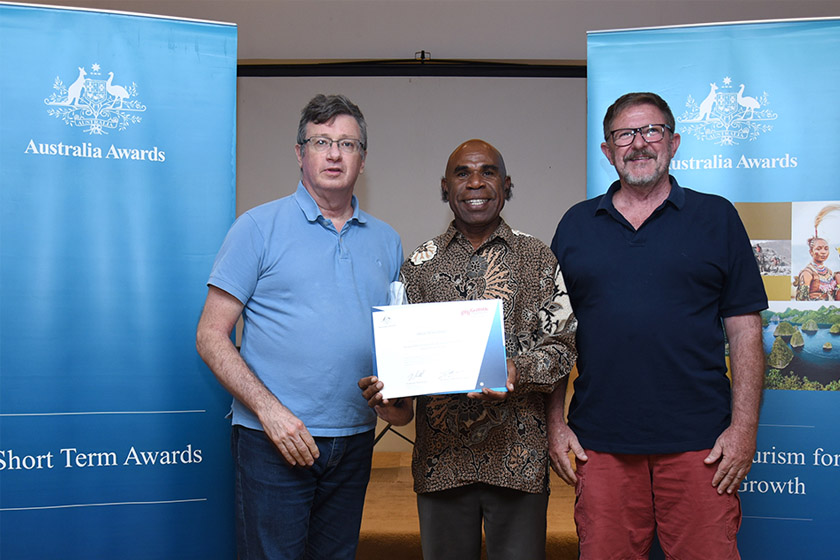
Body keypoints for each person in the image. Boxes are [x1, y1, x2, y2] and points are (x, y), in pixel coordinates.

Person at [548, 92, 768, 559]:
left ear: (674, 142)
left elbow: (746, 331)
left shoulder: (717, 218)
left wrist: (744, 429)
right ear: (607, 151)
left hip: (702, 446)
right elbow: (556, 337)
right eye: (624, 134)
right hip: (600, 444)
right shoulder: (575, 225)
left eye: (652, 131)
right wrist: (555, 423)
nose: (639, 144)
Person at [196, 94, 403, 560]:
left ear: (363, 159)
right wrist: (271, 413)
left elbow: (393, 340)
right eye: (321, 142)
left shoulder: (387, 241)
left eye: (347, 143)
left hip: (353, 440)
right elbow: (210, 335)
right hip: (273, 442)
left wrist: (400, 399)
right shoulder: (256, 228)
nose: (334, 154)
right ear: (299, 153)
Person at [360, 139, 577, 560]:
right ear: (446, 187)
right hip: (443, 464)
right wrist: (390, 395)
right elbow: (404, 373)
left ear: (506, 184)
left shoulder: (537, 257)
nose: (475, 182)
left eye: (488, 171)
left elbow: (564, 344)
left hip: (518, 461)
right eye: (462, 173)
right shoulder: (418, 265)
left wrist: (518, 368)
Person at [794, 236, 838, 300]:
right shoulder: (807, 273)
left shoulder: (829, 272)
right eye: (818, 249)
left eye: (826, 249)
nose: (823, 252)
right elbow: (802, 299)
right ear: (811, 252)